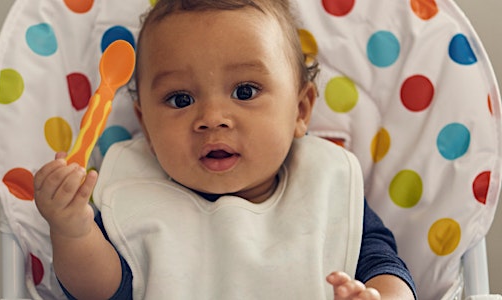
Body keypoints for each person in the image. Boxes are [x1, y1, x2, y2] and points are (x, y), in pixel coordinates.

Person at [34, 0, 417, 299]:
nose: (212, 118)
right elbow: (99, 292)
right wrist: (72, 230)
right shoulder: (135, 195)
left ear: (300, 110)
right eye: (180, 99)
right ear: (146, 124)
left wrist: (381, 296)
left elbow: (384, 264)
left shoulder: (324, 182)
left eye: (245, 92)